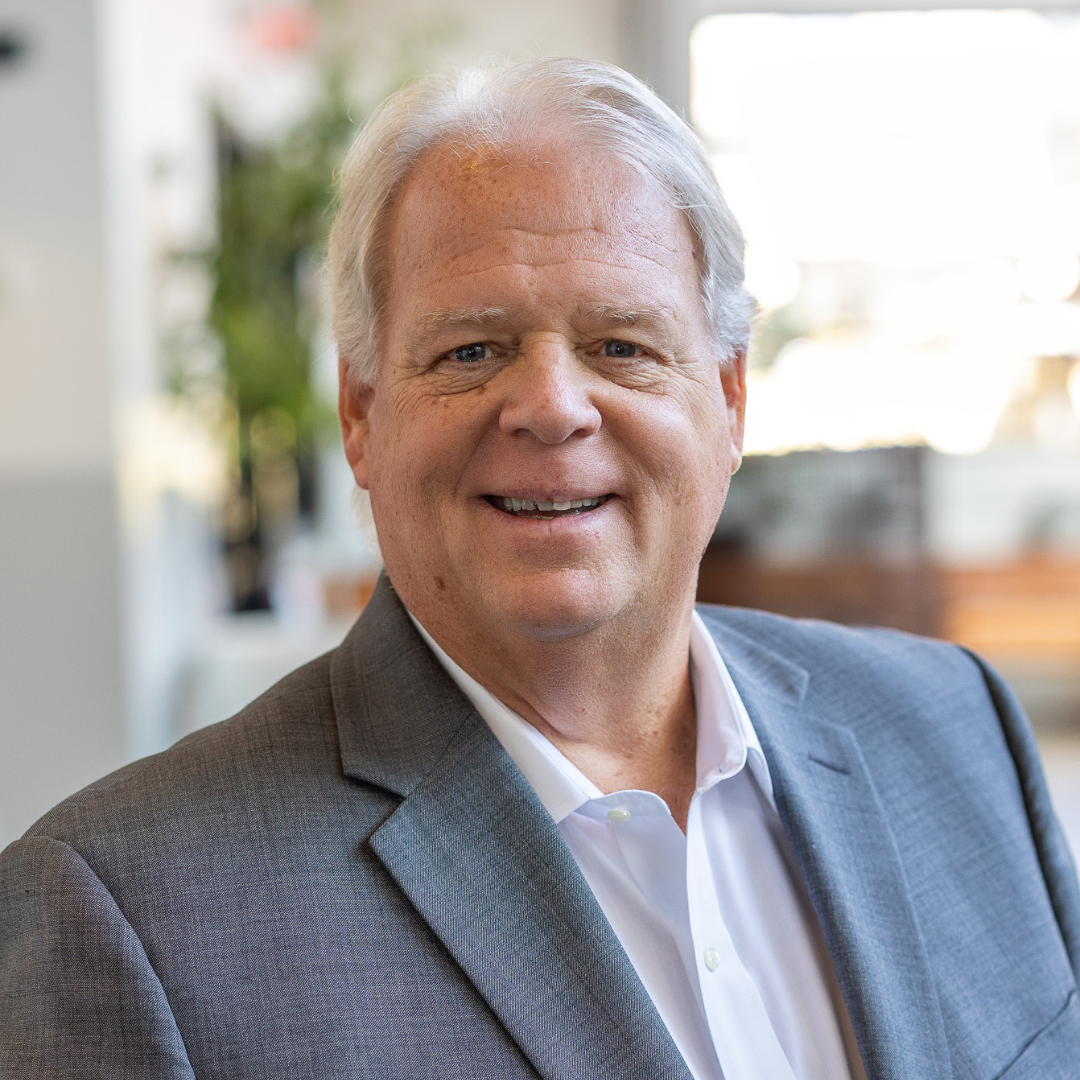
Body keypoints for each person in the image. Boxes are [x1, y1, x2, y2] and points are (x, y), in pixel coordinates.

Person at [2, 57, 1079, 1080]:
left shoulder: (955, 731)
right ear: (362, 415)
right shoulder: (120, 916)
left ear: (730, 400)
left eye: (622, 345)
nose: (554, 408)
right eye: (471, 349)